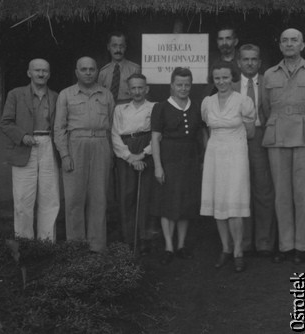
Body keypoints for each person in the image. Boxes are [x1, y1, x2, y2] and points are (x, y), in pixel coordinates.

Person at [262, 28, 305, 264]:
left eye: (294, 40)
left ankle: (303, 246)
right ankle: (286, 245)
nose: (289, 44)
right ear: (279, 45)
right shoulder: (269, 74)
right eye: (285, 40)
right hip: (277, 133)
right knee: (281, 193)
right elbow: (266, 106)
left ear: (302, 45)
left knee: (304, 193)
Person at [54, 57, 115, 253]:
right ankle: (76, 246)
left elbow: (113, 126)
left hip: (100, 145)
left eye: (91, 69)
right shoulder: (66, 95)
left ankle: (97, 246)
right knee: (74, 198)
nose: (88, 72)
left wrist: (111, 153)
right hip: (75, 146)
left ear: (97, 71)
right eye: (84, 69)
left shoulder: (106, 94)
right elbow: (59, 128)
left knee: (99, 197)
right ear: (76, 72)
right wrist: (64, 155)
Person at [200, 61, 256, 273]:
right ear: (213, 80)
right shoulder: (207, 102)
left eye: (225, 77)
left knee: (234, 203)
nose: (221, 82)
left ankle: (238, 251)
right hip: (215, 154)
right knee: (218, 203)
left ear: (232, 78)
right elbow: (208, 129)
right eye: (217, 78)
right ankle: (225, 248)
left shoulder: (244, 101)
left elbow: (250, 133)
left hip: (236, 154)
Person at [0, 58, 59, 241]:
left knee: (50, 197)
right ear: (29, 73)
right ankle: (25, 244)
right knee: (23, 199)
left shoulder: (56, 96)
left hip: (48, 145)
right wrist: (23, 136)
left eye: (45, 71)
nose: (41, 74)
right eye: (37, 70)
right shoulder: (16, 94)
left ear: (49, 74)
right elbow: (5, 122)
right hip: (24, 146)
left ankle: (46, 243)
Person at [151, 67, 205, 265]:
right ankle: (168, 246)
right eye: (179, 85)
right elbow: (155, 138)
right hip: (169, 159)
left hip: (190, 158)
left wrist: (203, 158)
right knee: (168, 204)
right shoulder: (161, 107)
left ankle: (181, 245)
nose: (183, 88)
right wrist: (158, 166)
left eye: (187, 85)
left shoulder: (196, 106)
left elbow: (202, 134)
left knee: (186, 204)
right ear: (172, 85)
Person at [234, 44, 276, 256]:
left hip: (261, 137)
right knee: (240, 190)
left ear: (259, 63)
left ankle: (264, 242)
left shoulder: (268, 85)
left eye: (254, 59)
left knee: (263, 190)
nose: (249, 63)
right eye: (245, 59)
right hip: (237, 139)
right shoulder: (230, 87)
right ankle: (244, 241)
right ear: (238, 62)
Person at [111, 73, 155, 254]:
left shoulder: (154, 107)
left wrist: (143, 154)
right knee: (126, 195)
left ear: (147, 89)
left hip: (146, 149)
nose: (137, 91)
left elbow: (158, 134)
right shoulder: (120, 109)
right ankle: (128, 239)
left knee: (145, 196)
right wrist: (129, 157)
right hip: (125, 152)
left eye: (140, 87)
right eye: (133, 88)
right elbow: (114, 135)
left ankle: (144, 238)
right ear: (128, 90)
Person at [98, 31, 141, 104]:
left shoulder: (135, 70)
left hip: (128, 111)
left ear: (125, 47)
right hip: (108, 110)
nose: (118, 50)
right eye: (114, 46)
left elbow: (141, 95)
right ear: (108, 47)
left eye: (121, 46)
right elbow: (99, 97)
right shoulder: (103, 72)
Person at [205, 25, 240, 96]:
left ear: (235, 41)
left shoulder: (242, 61)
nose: (224, 43)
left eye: (228, 38)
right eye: (221, 39)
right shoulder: (211, 61)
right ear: (217, 42)